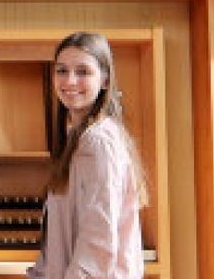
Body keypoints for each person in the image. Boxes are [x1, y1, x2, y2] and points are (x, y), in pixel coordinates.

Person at [27, 31, 150, 278]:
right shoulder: (77, 137)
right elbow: (57, 241)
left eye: (82, 72)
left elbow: (98, 241)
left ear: (105, 80)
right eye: (62, 71)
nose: (70, 81)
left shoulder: (99, 141)